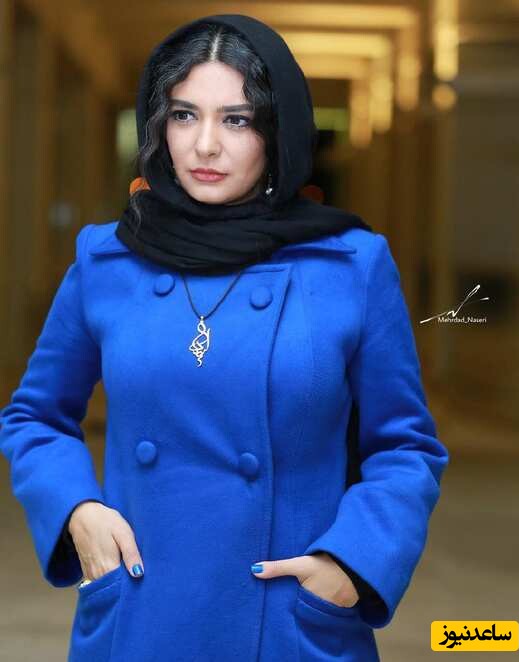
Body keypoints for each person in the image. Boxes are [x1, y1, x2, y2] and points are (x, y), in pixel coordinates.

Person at [0, 14, 450, 662]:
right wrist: (76, 511)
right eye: (185, 115)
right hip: (140, 614)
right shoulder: (107, 260)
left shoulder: (351, 266)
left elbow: (405, 447)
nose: (205, 145)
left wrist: (351, 565)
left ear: (277, 132)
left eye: (237, 120)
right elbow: (35, 416)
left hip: (287, 624)